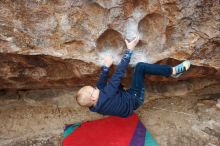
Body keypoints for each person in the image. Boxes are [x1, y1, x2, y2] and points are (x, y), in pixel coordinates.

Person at [75, 36, 191, 117]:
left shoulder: (94, 106)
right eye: (93, 89)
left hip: (126, 105)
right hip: (135, 98)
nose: (96, 88)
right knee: (140, 67)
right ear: (94, 98)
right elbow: (118, 73)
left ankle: (124, 94)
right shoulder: (107, 94)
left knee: (105, 85)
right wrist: (129, 50)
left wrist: (106, 67)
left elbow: (100, 85)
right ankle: (173, 71)